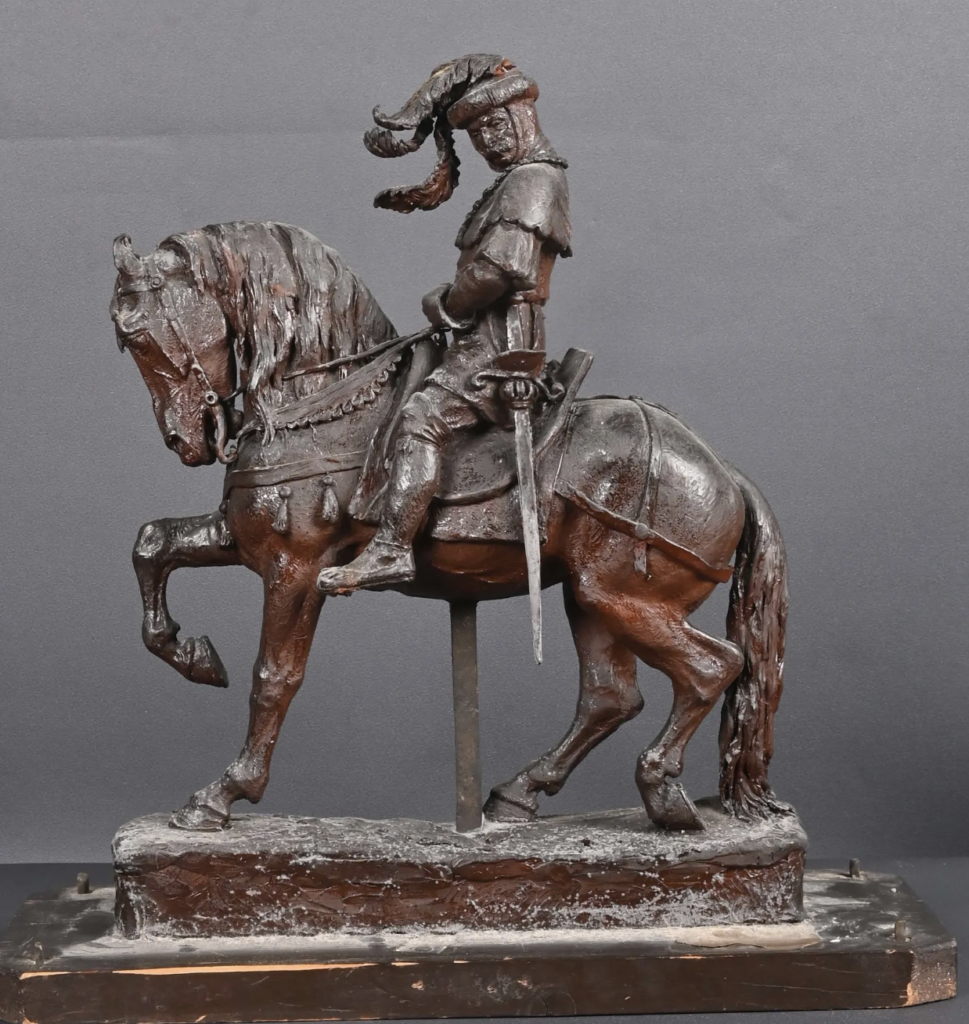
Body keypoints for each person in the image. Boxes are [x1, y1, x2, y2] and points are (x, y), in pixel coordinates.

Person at [317, 54, 571, 594]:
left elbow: (501, 268)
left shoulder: (533, 181)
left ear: (523, 116)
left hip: (499, 347)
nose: (488, 143)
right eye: (477, 136)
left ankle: (390, 550)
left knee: (421, 419)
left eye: (495, 126)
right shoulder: (515, 182)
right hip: (480, 339)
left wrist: (447, 303)